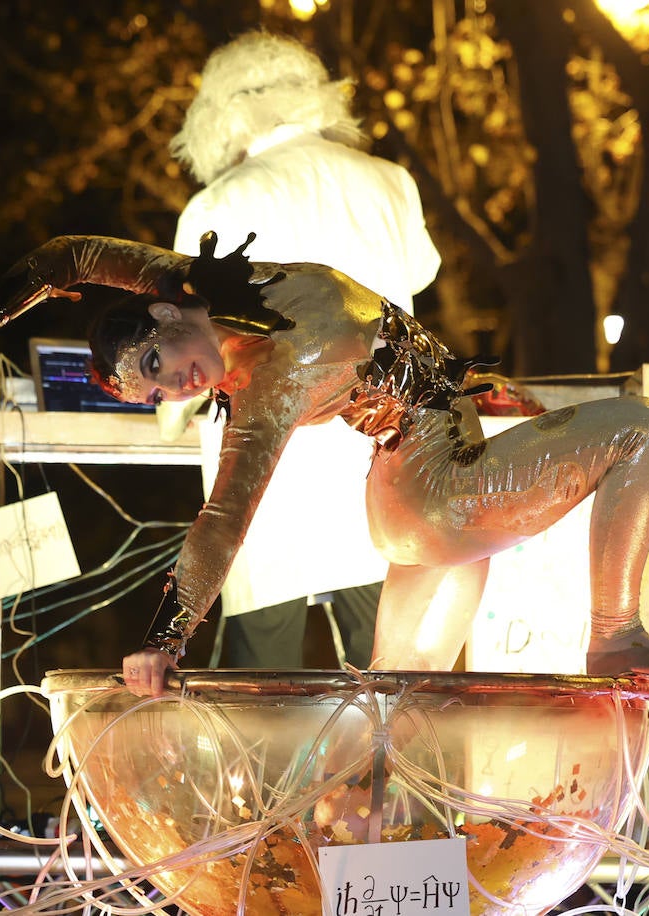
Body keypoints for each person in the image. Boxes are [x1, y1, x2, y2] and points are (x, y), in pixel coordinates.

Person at [0, 232, 649, 695]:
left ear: (166, 313)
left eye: (161, 363)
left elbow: (73, 255)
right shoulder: (266, 388)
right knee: (640, 428)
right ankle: (614, 633)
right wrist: (164, 641)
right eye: (158, 390)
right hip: (437, 494)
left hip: (421, 495)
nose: (178, 386)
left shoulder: (192, 281)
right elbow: (223, 520)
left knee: (401, 701)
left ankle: (364, 851)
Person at [168, 31, 443, 670]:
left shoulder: (216, 205)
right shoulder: (391, 182)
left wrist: (166, 411)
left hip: (267, 474)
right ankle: (411, 774)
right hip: (380, 454)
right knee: (396, 689)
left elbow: (186, 351)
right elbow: (419, 279)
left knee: (253, 700)